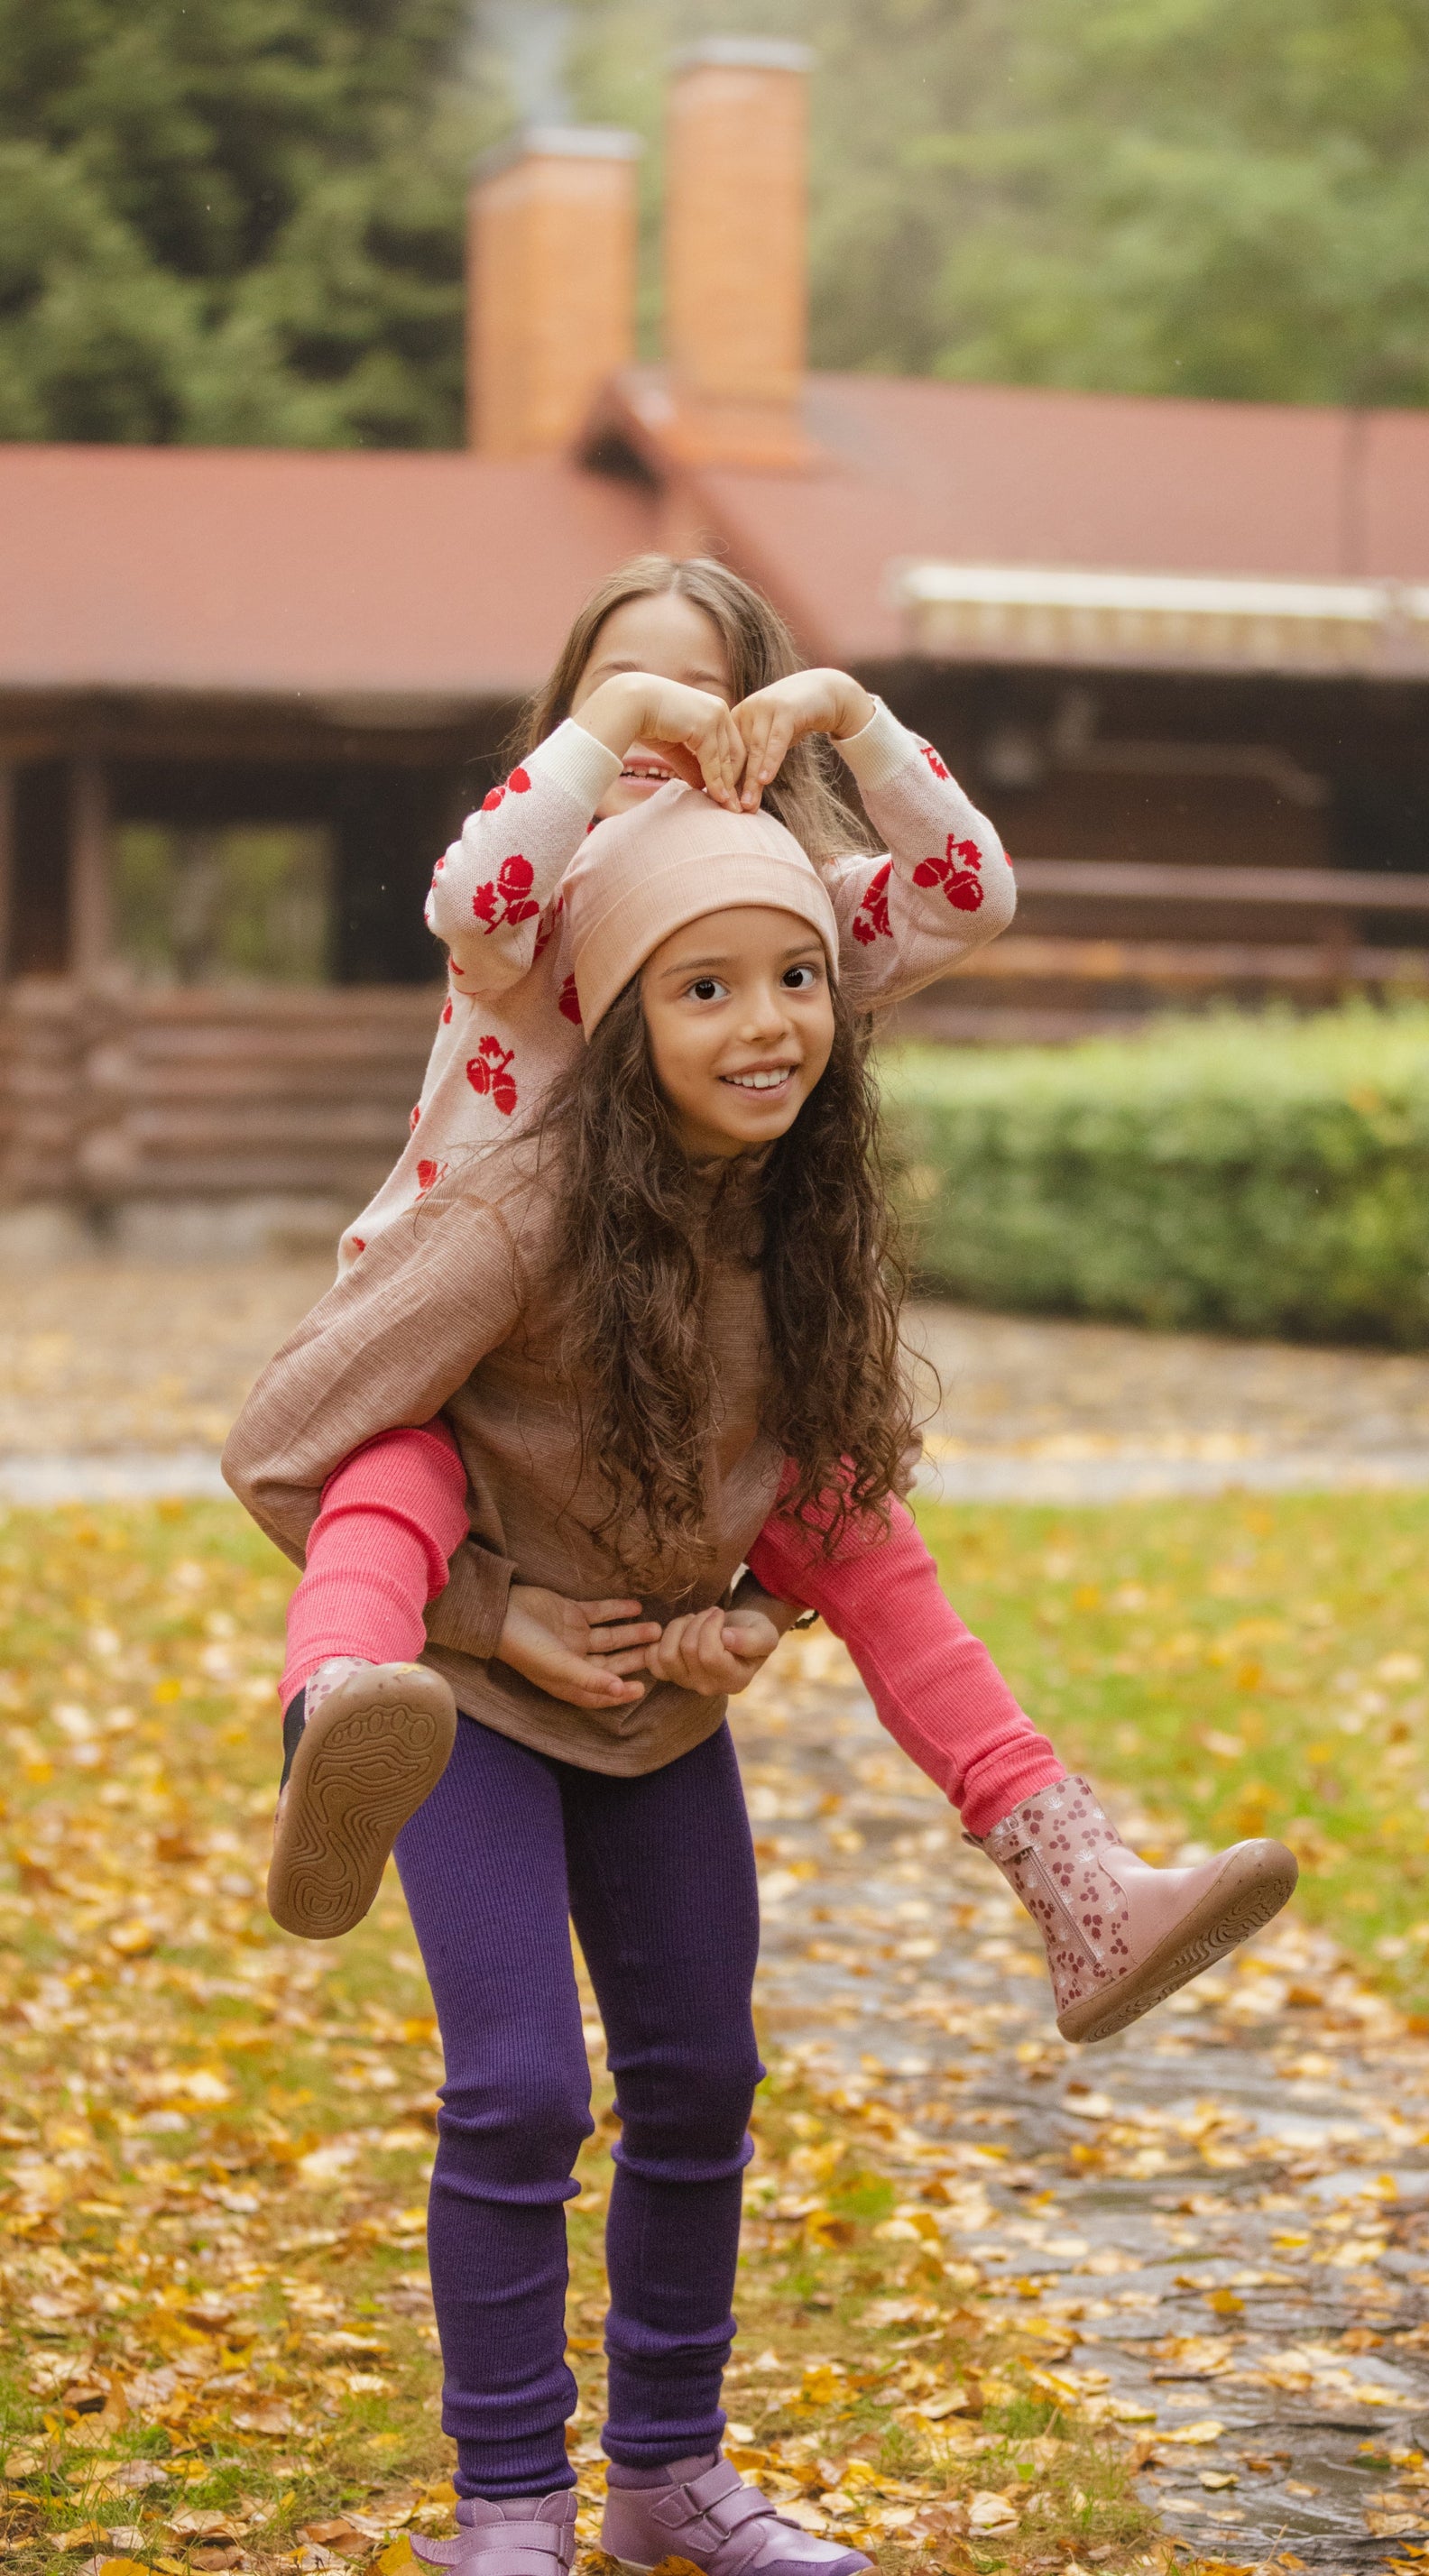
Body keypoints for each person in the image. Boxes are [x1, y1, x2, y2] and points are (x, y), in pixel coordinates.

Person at [257, 552, 1295, 2051]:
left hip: (678, 1367)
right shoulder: (537, 916)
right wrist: (621, 722)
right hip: (457, 1354)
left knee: (861, 1528)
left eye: (713, 701)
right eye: (635, 706)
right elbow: (467, 894)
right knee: (387, 1486)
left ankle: (1075, 1879)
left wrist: (845, 711)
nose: (680, 737)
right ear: (576, 734)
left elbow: (965, 897)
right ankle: (338, 1719)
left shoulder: (780, 914)